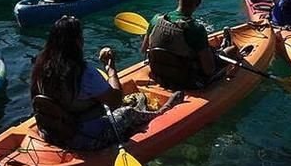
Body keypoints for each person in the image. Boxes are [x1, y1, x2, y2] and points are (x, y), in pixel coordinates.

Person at [29, 15, 183, 150]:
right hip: (85, 138)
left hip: (52, 132)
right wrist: (110, 68)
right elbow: (115, 100)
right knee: (127, 112)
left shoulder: (41, 67)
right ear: (77, 42)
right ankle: (160, 113)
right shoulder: (84, 72)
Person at [141, 0, 240, 90]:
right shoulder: (196, 29)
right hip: (188, 80)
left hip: (161, 75)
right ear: (198, 2)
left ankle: (218, 49)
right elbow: (209, 69)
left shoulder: (156, 19)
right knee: (232, 50)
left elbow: (144, 49)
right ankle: (226, 51)